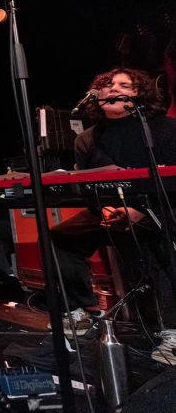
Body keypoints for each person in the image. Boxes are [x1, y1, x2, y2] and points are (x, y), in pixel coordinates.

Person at [49, 68, 176, 364]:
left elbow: (171, 183)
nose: (112, 90)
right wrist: (104, 208)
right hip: (110, 209)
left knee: (158, 240)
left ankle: (171, 332)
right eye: (106, 85)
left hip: (160, 207)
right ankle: (80, 310)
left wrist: (135, 212)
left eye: (123, 85)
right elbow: (87, 186)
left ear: (138, 94)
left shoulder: (166, 129)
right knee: (59, 236)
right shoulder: (87, 139)